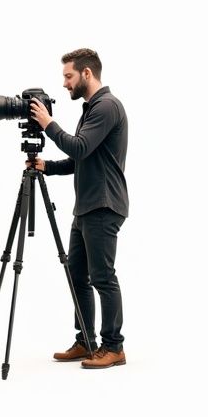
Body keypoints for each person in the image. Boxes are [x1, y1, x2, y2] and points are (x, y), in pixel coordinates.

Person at [28, 48, 129, 369]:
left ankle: (114, 347)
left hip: (103, 204)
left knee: (102, 277)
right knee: (77, 277)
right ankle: (86, 340)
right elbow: (80, 159)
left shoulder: (107, 106)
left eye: (68, 76)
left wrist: (49, 124)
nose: (64, 83)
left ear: (87, 73)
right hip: (87, 207)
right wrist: (47, 166)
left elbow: (80, 146)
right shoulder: (91, 109)